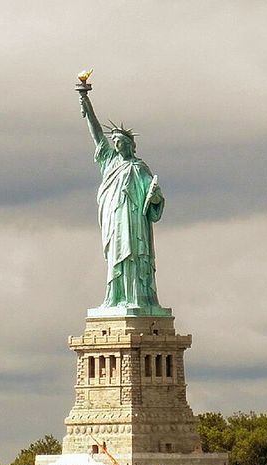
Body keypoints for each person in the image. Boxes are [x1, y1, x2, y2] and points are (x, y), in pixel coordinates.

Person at [79, 91, 165, 310]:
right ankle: (115, 297)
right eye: (114, 141)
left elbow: (153, 197)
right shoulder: (109, 161)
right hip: (114, 218)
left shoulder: (139, 168)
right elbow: (97, 135)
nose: (116, 145)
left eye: (120, 142)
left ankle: (138, 298)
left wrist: (155, 196)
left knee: (133, 256)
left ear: (129, 144)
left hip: (134, 222)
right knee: (116, 256)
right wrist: (86, 104)